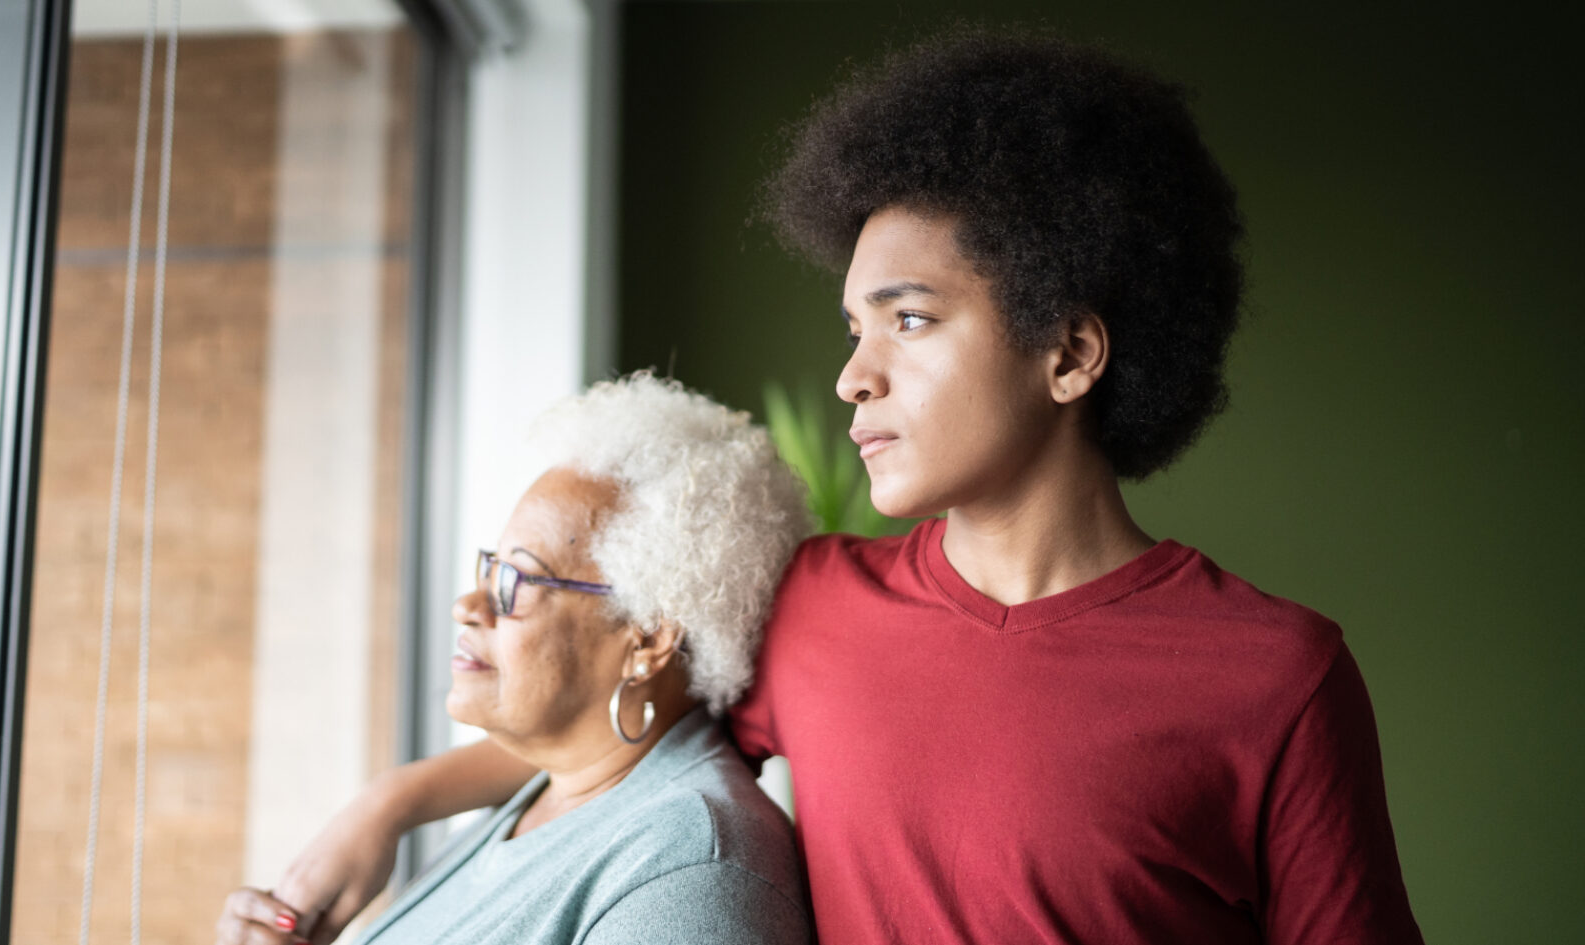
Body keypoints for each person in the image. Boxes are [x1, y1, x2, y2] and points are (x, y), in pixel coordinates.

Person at [236, 27, 1425, 945]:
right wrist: (387, 806)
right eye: (854, 327)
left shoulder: (1276, 678)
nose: (854, 376)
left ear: (1069, 353)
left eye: (909, 321)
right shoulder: (813, 608)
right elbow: (609, 715)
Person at [215, 374, 813, 945]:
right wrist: (391, 799)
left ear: (648, 638)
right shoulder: (557, 790)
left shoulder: (687, 881)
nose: (467, 605)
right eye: (490, 568)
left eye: (517, 580)